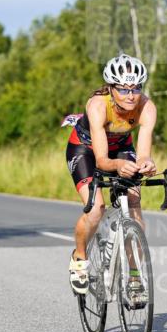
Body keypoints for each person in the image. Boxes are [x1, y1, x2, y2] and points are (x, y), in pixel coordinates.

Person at [64, 53, 157, 300]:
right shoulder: (97, 106)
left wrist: (145, 163)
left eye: (136, 88)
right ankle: (80, 258)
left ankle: (135, 275)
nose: (130, 95)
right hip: (86, 149)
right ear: (111, 88)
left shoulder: (147, 108)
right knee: (96, 208)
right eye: (123, 89)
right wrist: (117, 165)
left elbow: (144, 152)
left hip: (121, 147)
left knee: (134, 201)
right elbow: (103, 161)